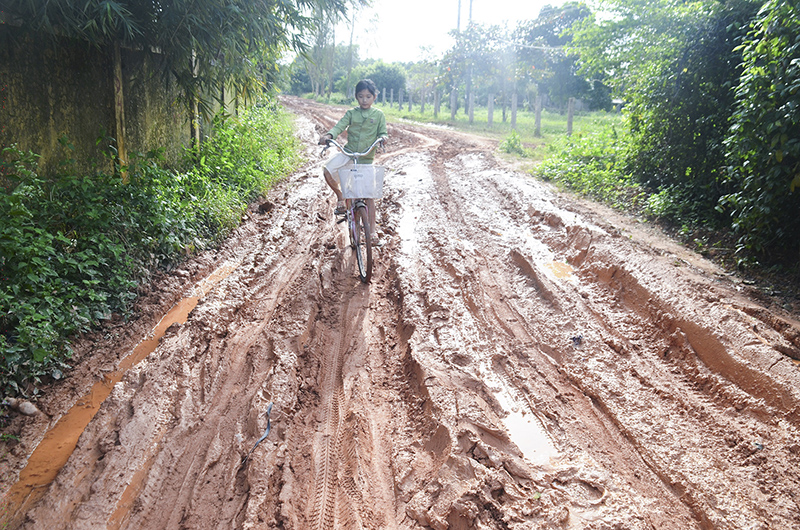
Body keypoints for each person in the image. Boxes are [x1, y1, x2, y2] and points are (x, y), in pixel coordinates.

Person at [319, 79, 388, 244]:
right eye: (361, 96)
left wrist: (383, 138)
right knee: (328, 170)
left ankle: (372, 232)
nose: (364, 100)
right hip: (349, 154)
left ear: (374, 97)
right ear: (356, 97)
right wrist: (329, 136)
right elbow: (339, 127)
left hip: (366, 158)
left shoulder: (378, 115)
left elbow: (383, 132)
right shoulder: (351, 113)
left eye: (368, 96)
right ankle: (340, 196)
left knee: (369, 197)